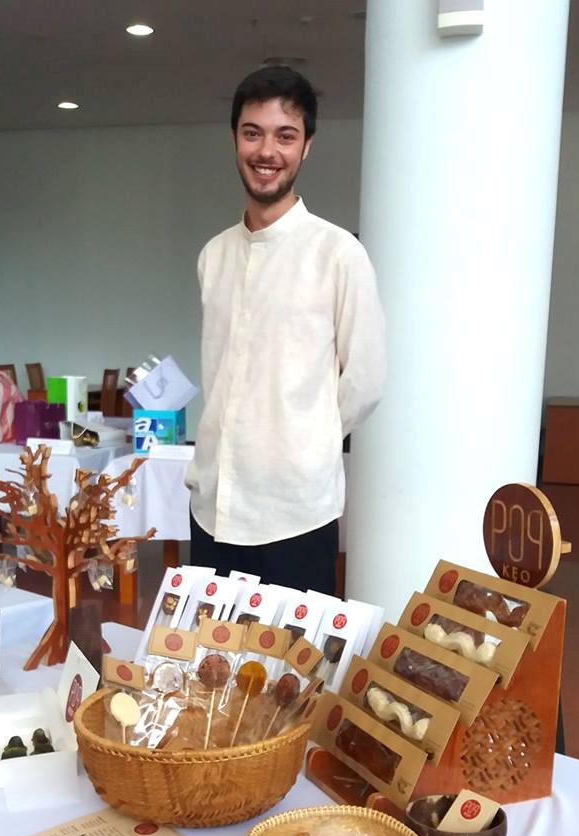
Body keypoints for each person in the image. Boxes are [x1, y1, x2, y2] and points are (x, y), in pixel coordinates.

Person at [186, 66, 386, 594]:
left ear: (306, 147)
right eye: (253, 132)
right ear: (234, 138)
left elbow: (365, 380)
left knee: (296, 673)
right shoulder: (214, 255)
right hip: (214, 505)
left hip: (295, 512)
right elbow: (220, 373)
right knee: (210, 668)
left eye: (285, 135)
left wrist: (304, 443)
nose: (266, 150)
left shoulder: (338, 253)